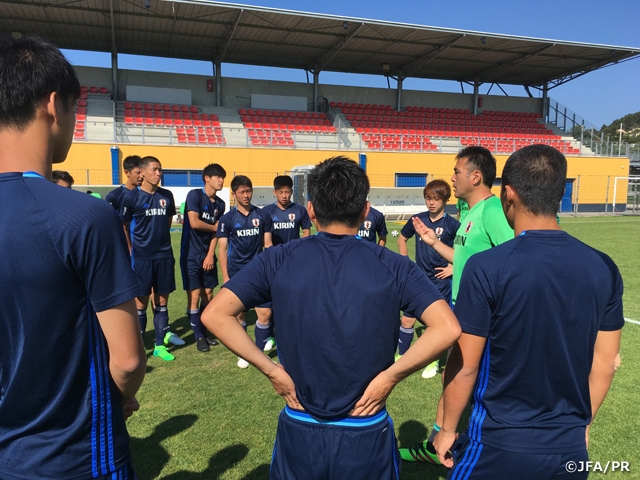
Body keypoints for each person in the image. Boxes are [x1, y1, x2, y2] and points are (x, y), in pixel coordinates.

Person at [202, 156, 461, 480]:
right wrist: (390, 377)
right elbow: (448, 327)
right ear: (366, 210)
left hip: (302, 423)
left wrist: (270, 370)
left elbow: (214, 313)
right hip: (365, 426)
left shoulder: (278, 259)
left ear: (310, 209)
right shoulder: (393, 265)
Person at [0, 34, 146, 479]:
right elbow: (126, 359)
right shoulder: (83, 215)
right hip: (75, 454)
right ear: (52, 105)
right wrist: (122, 397)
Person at [433, 144, 623, 479]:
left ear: (508, 194)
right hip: (569, 450)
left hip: (499, 443)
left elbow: (465, 365)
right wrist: (583, 422)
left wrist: (447, 429)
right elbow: (606, 362)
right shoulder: (603, 267)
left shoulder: (487, 267)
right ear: (559, 193)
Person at [400, 146, 513, 464]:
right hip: (462, 307)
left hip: (485, 316)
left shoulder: (491, 211)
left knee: (474, 381)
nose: (452, 177)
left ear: (476, 177)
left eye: (457, 171)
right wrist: (435, 244)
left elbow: (516, 259)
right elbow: (465, 259)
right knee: (453, 374)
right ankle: (436, 442)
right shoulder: (469, 214)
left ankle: (485, 451)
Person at [121, 155, 184, 362]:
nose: (158, 173)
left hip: (164, 256)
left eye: (160, 169)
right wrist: (131, 250)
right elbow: (124, 226)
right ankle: (139, 347)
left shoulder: (167, 195)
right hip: (142, 257)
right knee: (140, 302)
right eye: (155, 170)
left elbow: (167, 223)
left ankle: (159, 345)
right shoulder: (131, 197)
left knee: (162, 301)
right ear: (143, 171)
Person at [396, 179, 460, 379]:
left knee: (437, 323)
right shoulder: (418, 219)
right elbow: (401, 238)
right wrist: (406, 262)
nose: (431, 202)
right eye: (428, 198)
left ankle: (433, 362)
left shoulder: (452, 224)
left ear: (445, 200)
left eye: (436, 199)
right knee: (407, 319)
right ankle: (401, 356)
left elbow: (462, 250)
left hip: (440, 281)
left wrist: (452, 267)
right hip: (418, 278)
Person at [216, 175, 274, 368]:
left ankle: (258, 353)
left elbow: (268, 244)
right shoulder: (227, 219)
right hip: (237, 272)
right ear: (234, 194)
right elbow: (222, 249)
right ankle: (244, 353)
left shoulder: (262, 215)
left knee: (264, 313)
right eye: (242, 192)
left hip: (259, 271)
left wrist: (270, 267)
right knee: (239, 315)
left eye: (248, 191)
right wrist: (226, 277)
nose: (246, 195)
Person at [259, 175, 312, 351]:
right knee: (272, 298)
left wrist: (301, 250)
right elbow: (263, 239)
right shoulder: (266, 212)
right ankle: (270, 335)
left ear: (291, 192)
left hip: (293, 262)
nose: (284, 195)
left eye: (287, 192)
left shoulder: (299, 210)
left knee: (291, 297)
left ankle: (288, 333)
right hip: (273, 262)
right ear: (274, 192)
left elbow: (306, 232)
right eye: (281, 192)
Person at [179, 163, 227, 352]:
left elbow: (217, 235)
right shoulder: (194, 195)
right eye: (218, 177)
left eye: (223, 177)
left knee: (208, 294)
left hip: (207, 255)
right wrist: (216, 227)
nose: (221, 180)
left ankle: (206, 331)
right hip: (190, 254)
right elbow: (194, 222)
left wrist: (210, 255)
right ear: (207, 178)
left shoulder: (221, 204)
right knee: (195, 296)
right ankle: (198, 336)